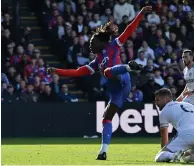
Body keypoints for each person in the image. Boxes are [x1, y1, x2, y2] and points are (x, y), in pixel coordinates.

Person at [47, 6, 153, 160]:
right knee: (106, 118)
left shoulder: (114, 45)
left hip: (123, 77)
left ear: (100, 42)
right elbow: (76, 72)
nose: (90, 45)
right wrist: (57, 71)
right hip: (118, 91)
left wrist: (141, 14)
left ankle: (129, 67)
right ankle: (103, 151)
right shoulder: (95, 62)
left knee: (106, 72)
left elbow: (129, 30)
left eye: (92, 42)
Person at [154, 88, 194, 163]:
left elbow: (164, 138)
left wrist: (164, 152)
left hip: (188, 136)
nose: (156, 103)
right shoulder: (188, 105)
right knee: (185, 157)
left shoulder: (164, 112)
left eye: (158, 100)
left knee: (159, 157)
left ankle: (173, 156)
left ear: (166, 98)